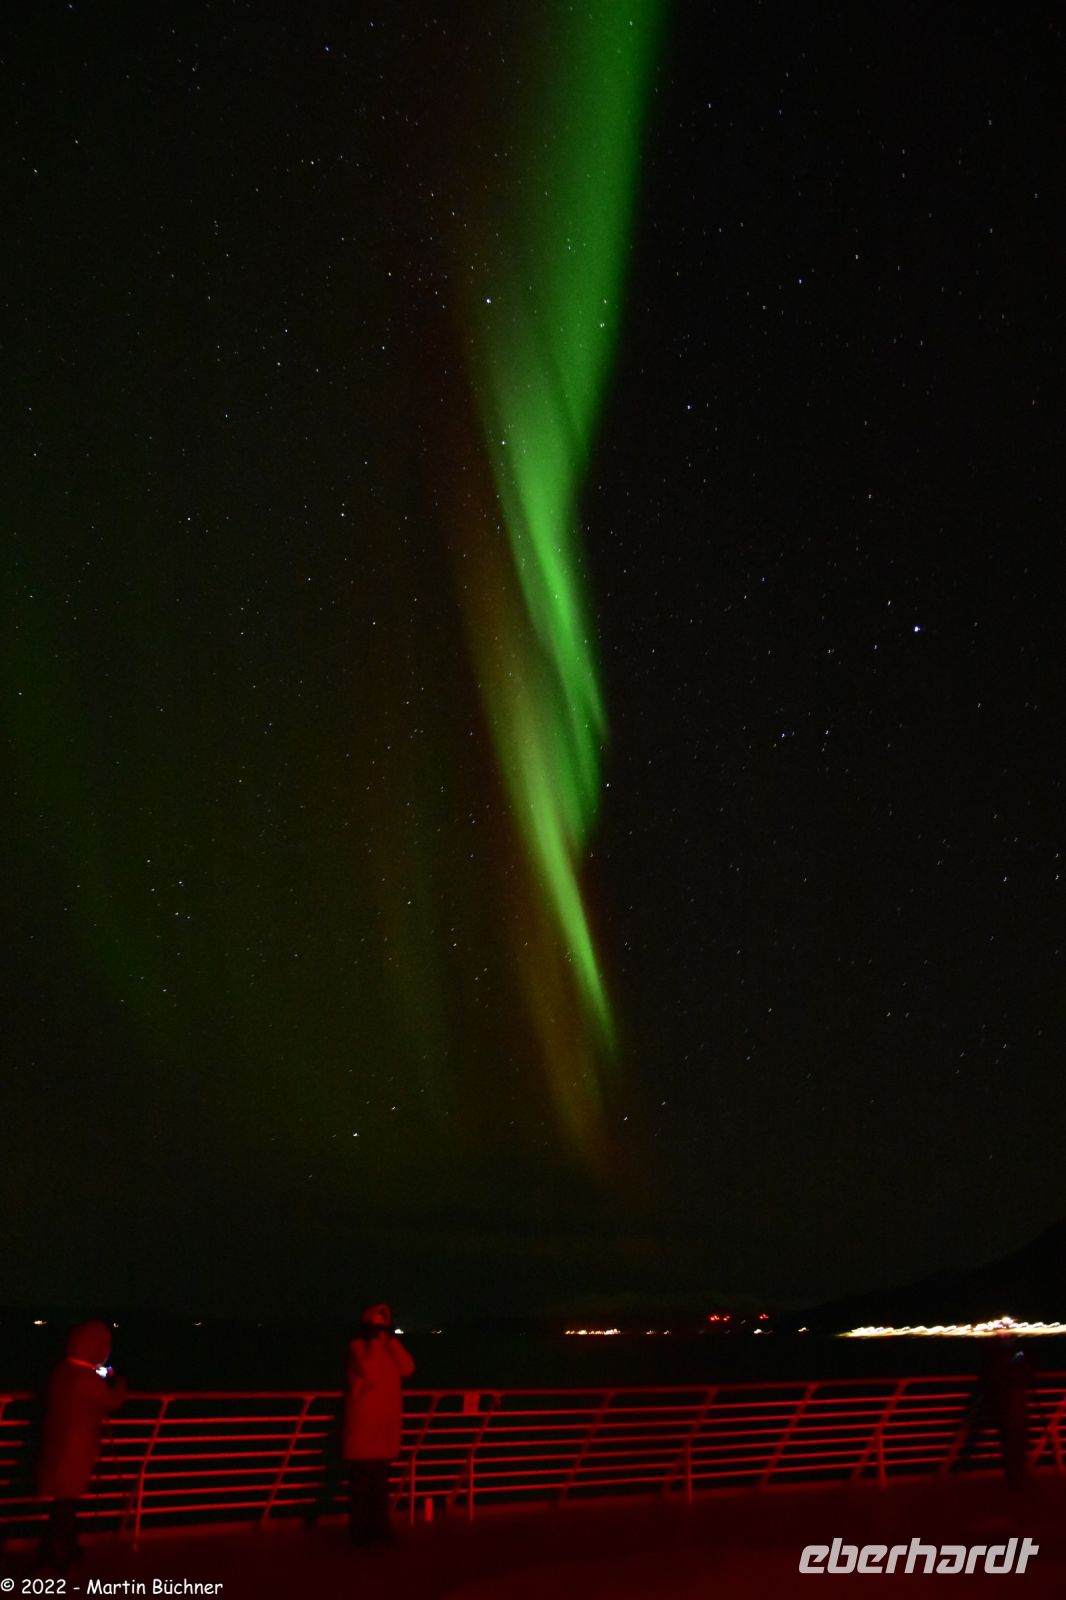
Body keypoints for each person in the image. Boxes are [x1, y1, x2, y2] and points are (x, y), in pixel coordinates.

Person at [36, 1321, 127, 1572]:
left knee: (63, 1505)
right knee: (65, 1505)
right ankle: (55, 1555)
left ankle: (63, 1549)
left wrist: (99, 1372)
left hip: (55, 1446)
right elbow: (112, 1402)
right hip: (75, 1452)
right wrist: (120, 1382)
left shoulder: (62, 1371)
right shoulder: (87, 1380)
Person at [342, 1303, 414, 1546]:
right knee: (363, 1486)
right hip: (364, 1428)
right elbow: (370, 1372)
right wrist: (374, 1342)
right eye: (377, 1327)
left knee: (379, 1486)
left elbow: (408, 1368)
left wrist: (392, 1342)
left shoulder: (388, 1350)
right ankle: (361, 1534)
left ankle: (380, 1530)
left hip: (383, 1427)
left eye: (385, 1327)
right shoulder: (358, 1348)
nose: (381, 1331)